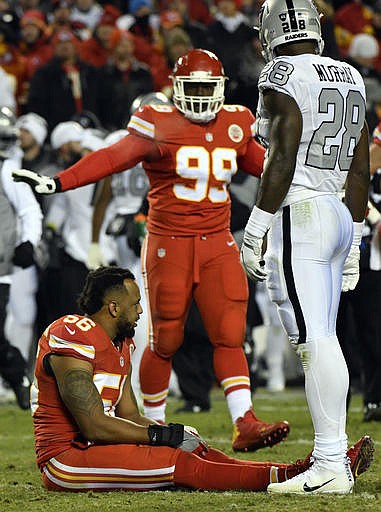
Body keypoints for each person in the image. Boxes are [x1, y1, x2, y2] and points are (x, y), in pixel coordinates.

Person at [12, 48, 290, 453]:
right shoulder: (158, 123)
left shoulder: (236, 122)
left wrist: (314, 185)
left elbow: (266, 167)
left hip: (217, 241)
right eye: (190, 86)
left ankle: (244, 422)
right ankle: (153, 425)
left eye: (205, 86)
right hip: (169, 242)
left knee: (230, 333)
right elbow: (111, 158)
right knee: (166, 339)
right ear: (176, 88)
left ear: (220, 88)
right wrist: (59, 182)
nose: (198, 94)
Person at [30, 265, 374, 492]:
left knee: (195, 447)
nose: (140, 311)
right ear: (113, 308)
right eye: (135, 304)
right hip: (66, 459)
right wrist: (160, 435)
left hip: (96, 445)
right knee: (182, 463)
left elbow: (130, 416)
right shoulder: (72, 334)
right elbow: (93, 426)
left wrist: (172, 433)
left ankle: (306, 469)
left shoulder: (122, 343)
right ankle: (294, 476)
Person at [240, 0, 370, 494]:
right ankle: (331, 454)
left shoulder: (279, 71)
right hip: (338, 212)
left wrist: (255, 227)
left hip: (303, 214)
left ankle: (331, 462)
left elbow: (284, 154)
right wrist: (355, 237)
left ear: (271, 31)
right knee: (322, 337)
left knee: (314, 340)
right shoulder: (351, 75)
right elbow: (360, 168)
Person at [0, 106, 43, 409]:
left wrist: (28, 242)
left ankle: (17, 376)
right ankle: (16, 376)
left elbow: (30, 210)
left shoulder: (6, 171)